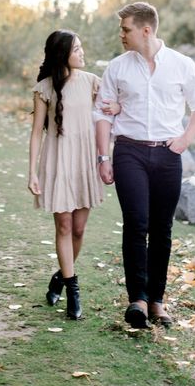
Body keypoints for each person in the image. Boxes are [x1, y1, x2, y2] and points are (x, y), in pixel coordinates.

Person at [94, 2, 195, 328]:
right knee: (136, 223)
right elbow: (102, 114)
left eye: (126, 29)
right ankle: (137, 301)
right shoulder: (117, 67)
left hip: (167, 155)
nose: (121, 34)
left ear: (146, 30)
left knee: (162, 230)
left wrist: (185, 139)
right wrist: (103, 157)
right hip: (129, 152)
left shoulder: (181, 65)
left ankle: (157, 301)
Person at [28, 29, 119, 320]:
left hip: (84, 162)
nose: (82, 53)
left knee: (79, 229)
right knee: (64, 227)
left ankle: (59, 277)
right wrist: (32, 172)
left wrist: (117, 107)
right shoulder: (44, 88)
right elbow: (36, 134)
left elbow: (112, 111)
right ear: (62, 53)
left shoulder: (93, 82)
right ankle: (73, 291)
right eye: (77, 49)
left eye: (82, 48)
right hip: (57, 162)